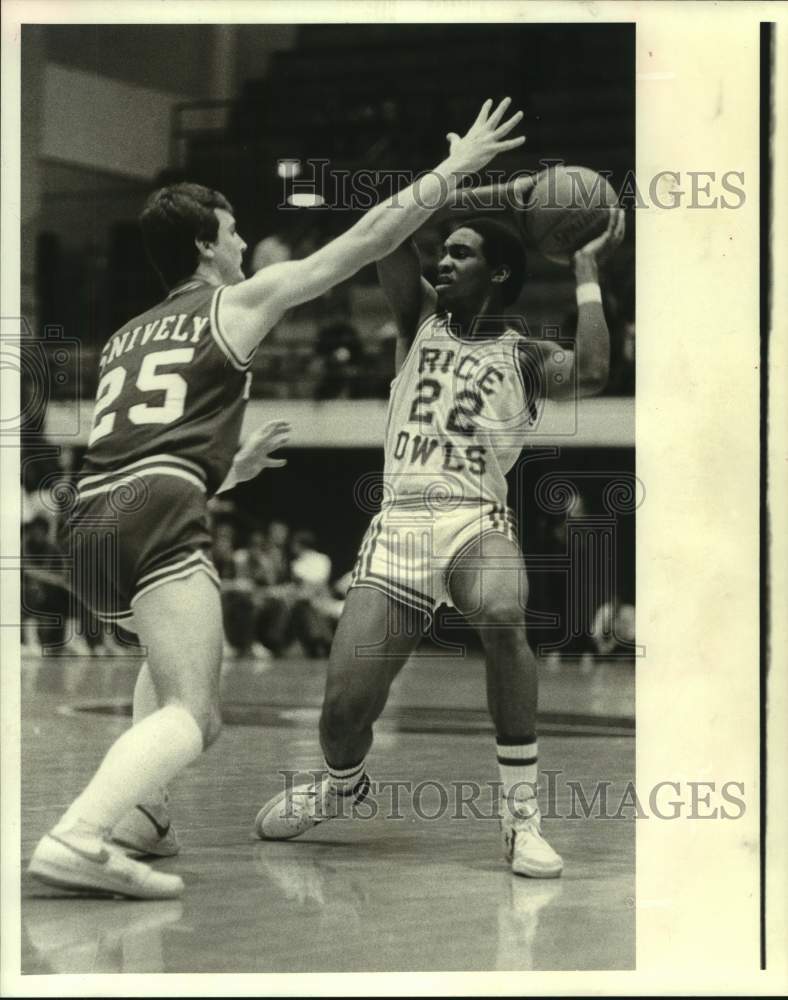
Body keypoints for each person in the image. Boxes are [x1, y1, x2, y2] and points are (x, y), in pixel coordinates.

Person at [28, 97, 526, 898]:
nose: (241, 244)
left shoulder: (126, 333)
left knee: (162, 655)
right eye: (230, 232)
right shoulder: (238, 300)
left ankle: (142, 817)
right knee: (197, 711)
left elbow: (131, 448)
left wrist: (226, 470)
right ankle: (78, 836)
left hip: (89, 517)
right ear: (205, 245)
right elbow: (367, 241)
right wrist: (456, 168)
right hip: (156, 515)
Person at [254, 167, 625, 878]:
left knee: (501, 610)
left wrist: (583, 271)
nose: (443, 261)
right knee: (341, 717)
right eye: (443, 252)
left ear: (498, 275)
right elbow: (385, 223)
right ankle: (341, 784)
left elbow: (596, 373)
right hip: (398, 531)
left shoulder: (524, 354)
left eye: (461, 254)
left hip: (472, 520)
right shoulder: (416, 320)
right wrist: (482, 193)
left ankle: (522, 821)